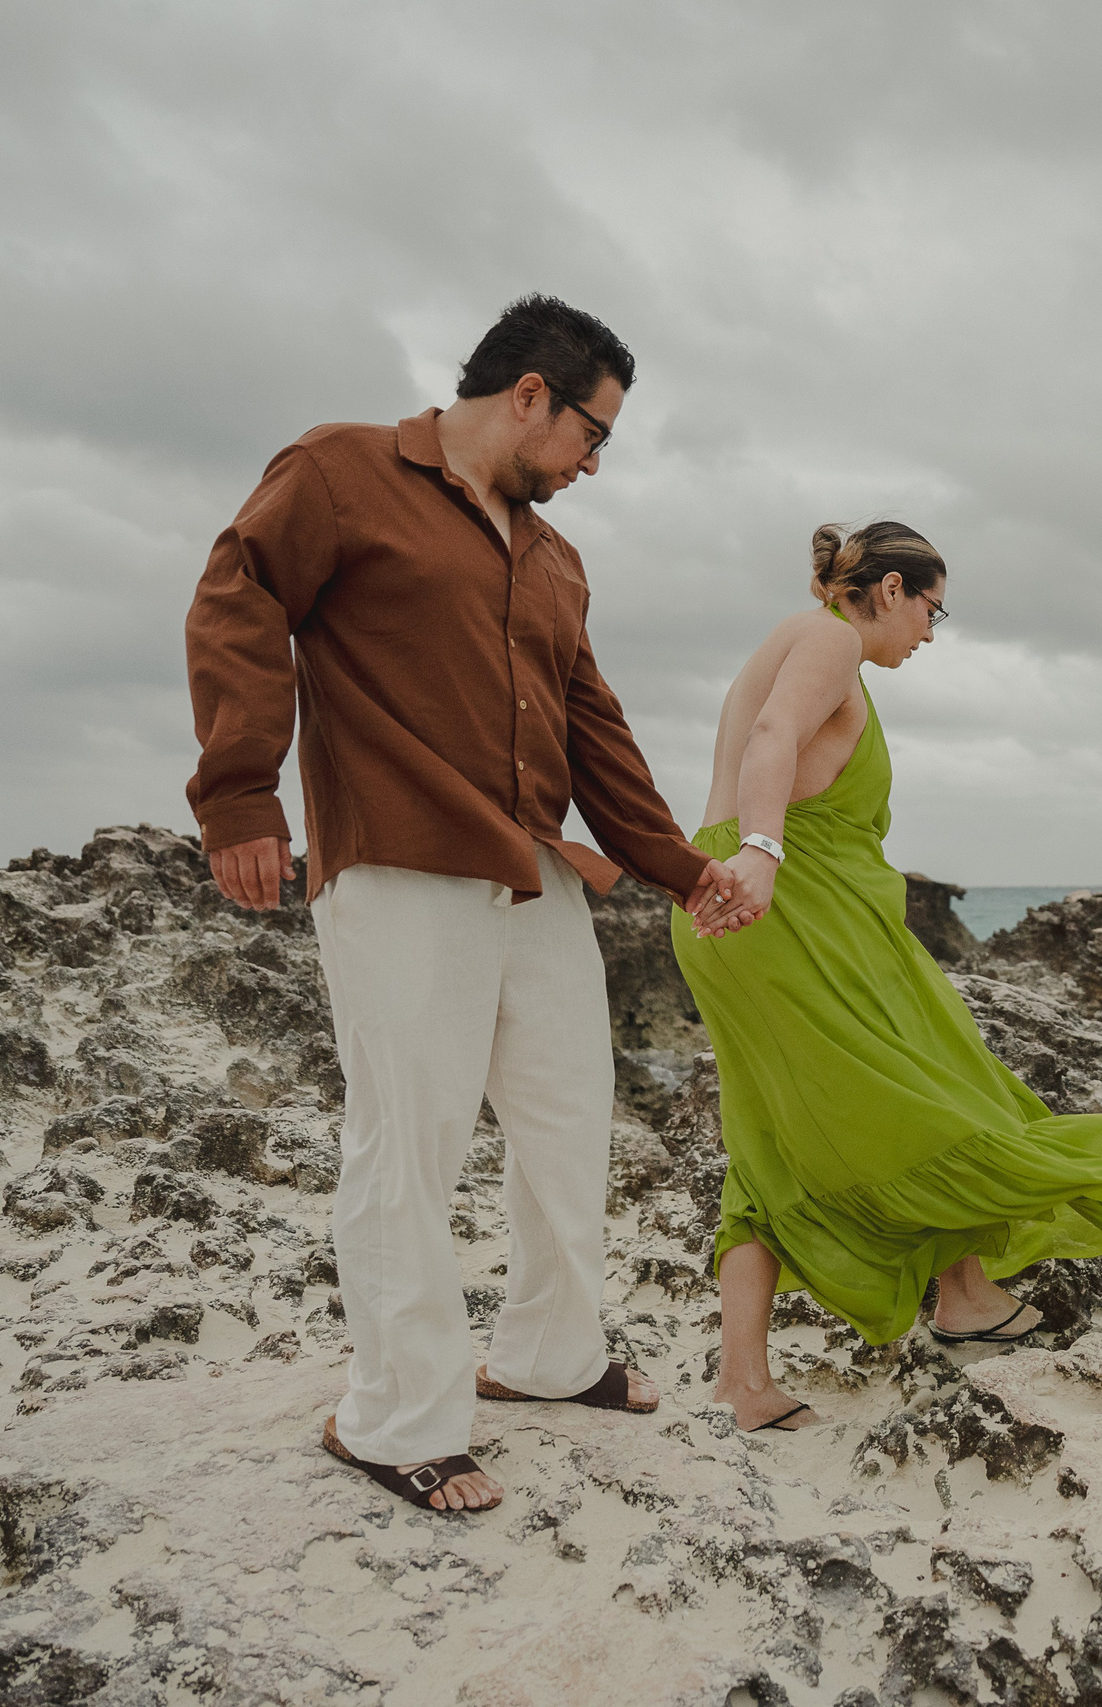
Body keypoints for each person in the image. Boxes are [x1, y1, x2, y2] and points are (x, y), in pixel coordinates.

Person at [184, 295, 742, 1512]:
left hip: (533, 869)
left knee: (565, 1118)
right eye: (594, 436)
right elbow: (237, 599)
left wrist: (682, 868)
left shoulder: (551, 556)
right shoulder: (341, 470)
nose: (594, 465)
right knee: (410, 1145)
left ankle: (548, 1356)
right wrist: (239, 799)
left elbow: (594, 728)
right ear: (530, 393)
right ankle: (394, 1420)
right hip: (394, 858)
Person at [671, 522, 1102, 1431]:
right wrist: (766, 854)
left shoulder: (786, 638)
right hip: (788, 911)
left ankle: (747, 1380)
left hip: (722, 907)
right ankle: (963, 1297)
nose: (930, 632)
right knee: (944, 1085)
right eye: (933, 608)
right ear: (889, 590)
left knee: (770, 1138)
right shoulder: (830, 638)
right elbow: (773, 737)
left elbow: (759, 755)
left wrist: (747, 859)